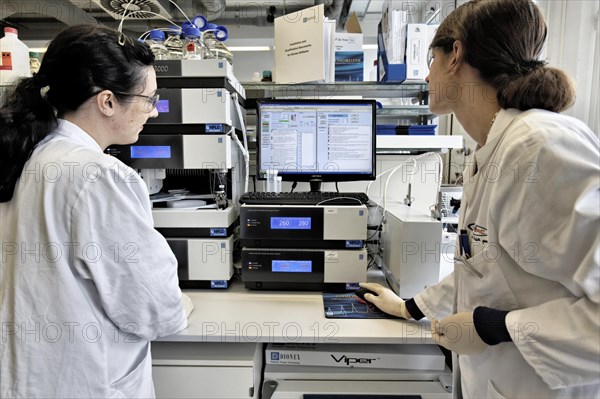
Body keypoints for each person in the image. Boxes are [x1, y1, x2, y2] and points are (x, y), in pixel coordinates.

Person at [360, 0, 599, 397]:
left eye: (430, 59)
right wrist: (411, 307)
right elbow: (484, 268)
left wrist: (496, 327)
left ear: (455, 55)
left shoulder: (540, 147)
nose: (426, 73)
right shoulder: (495, 148)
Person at [0, 25, 189, 397]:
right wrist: (178, 301)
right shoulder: (99, 177)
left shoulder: (25, 154)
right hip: (82, 381)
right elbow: (154, 310)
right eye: (148, 99)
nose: (152, 112)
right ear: (106, 101)